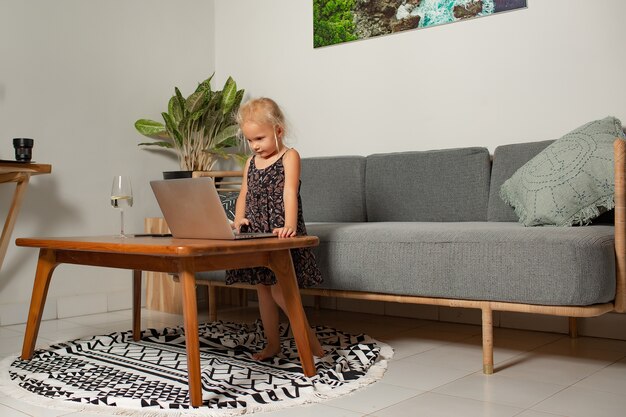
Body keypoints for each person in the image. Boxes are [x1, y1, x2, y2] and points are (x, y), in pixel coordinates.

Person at [225, 97, 324, 361]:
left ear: (278, 131)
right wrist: (238, 219)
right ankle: (273, 344)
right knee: (263, 291)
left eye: (260, 138)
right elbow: (243, 194)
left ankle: (314, 347)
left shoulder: (289, 156)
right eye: (250, 141)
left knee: (282, 290)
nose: (255, 146)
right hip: (257, 233)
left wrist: (290, 225)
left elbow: (289, 192)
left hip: (280, 232)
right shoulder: (250, 163)